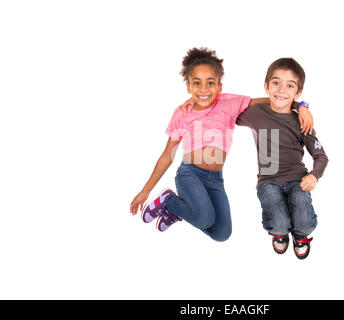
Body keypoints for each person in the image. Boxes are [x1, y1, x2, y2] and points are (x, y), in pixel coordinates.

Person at [129, 48, 313, 242]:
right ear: (188, 86)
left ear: (219, 86)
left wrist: (301, 106)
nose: (203, 89)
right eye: (196, 83)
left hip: (215, 179)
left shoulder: (229, 103)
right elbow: (167, 155)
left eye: (210, 83)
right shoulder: (182, 114)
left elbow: (275, 101)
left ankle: (180, 211)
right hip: (189, 174)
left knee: (221, 234)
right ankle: (169, 201)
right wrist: (145, 190)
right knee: (203, 217)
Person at [236, 58, 328, 259]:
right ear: (266, 86)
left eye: (290, 85)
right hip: (268, 181)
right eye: (276, 83)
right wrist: (300, 104)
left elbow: (321, 156)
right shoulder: (255, 113)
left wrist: (314, 176)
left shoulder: (302, 121)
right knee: (278, 223)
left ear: (298, 92)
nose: (281, 90)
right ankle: (280, 233)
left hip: (297, 180)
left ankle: (300, 235)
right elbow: (229, 108)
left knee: (303, 221)